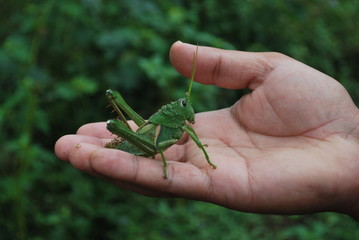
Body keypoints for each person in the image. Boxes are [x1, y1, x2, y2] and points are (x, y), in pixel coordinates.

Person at [55, 41, 359, 219]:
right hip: (142, 142)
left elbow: (195, 138)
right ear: (178, 112)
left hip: (150, 134)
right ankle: (118, 132)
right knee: (134, 125)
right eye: (185, 109)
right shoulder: (172, 126)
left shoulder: (180, 122)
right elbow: (167, 145)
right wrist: (163, 161)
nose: (190, 113)